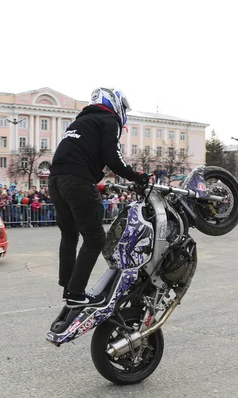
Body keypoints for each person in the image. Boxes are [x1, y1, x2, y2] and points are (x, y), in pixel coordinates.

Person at [48, 87, 148, 334]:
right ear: (114, 103)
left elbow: (86, 154)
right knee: (95, 238)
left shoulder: (80, 121)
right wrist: (137, 176)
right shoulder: (108, 119)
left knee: (70, 235)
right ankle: (76, 293)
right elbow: (113, 156)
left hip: (55, 180)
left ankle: (68, 287)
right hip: (77, 180)